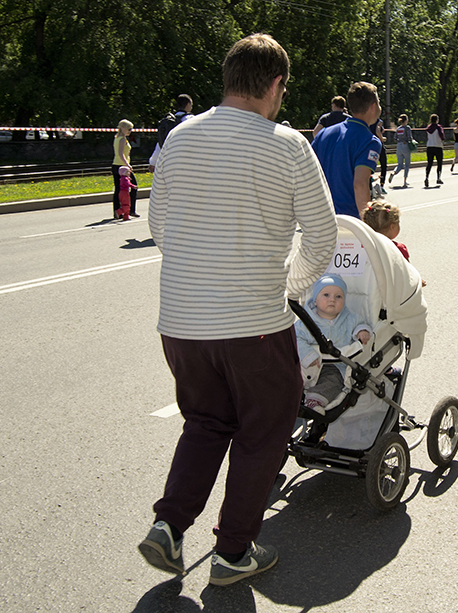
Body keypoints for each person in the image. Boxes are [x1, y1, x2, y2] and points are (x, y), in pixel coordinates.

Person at [141, 32, 338, 587]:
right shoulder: (286, 144)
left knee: (205, 422)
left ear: (228, 80)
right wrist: (291, 288)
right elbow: (321, 236)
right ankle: (233, 551)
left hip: (180, 323)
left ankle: (170, 525)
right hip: (251, 323)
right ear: (276, 85)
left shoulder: (179, 139)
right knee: (264, 430)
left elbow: (159, 226)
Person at [295, 274, 373, 410]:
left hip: (335, 366)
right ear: (315, 301)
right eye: (326, 295)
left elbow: (361, 324)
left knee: (333, 381)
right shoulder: (306, 322)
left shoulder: (350, 318)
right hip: (308, 365)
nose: (332, 299)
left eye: (338, 296)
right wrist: (308, 355)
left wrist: (362, 331)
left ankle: (315, 401)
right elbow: (296, 338)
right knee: (289, 375)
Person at [311, 82, 383, 217]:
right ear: (373, 106)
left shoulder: (324, 134)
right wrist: (366, 224)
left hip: (320, 217)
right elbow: (360, 184)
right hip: (349, 221)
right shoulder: (370, 141)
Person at [149, 94, 194, 173]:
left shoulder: (168, 121)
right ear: (188, 104)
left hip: (170, 161)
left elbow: (161, 143)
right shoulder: (191, 119)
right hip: (186, 160)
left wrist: (153, 162)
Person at [111, 119, 138, 219]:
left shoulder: (118, 138)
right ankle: (130, 210)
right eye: (129, 129)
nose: (130, 131)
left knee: (118, 189)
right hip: (122, 166)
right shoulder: (122, 139)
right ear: (123, 128)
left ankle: (118, 211)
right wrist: (128, 165)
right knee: (134, 186)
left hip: (116, 165)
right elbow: (120, 153)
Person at [389, 114, 413, 188]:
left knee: (400, 164)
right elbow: (409, 137)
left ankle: (393, 173)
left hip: (399, 146)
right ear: (406, 120)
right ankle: (405, 181)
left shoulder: (398, 128)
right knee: (407, 164)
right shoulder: (407, 128)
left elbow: (395, 138)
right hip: (405, 145)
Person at [424, 114, 445, 188]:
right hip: (438, 146)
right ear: (437, 120)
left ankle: (427, 177)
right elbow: (442, 136)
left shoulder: (428, 128)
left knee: (429, 163)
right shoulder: (439, 127)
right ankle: (438, 178)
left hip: (429, 146)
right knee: (439, 163)